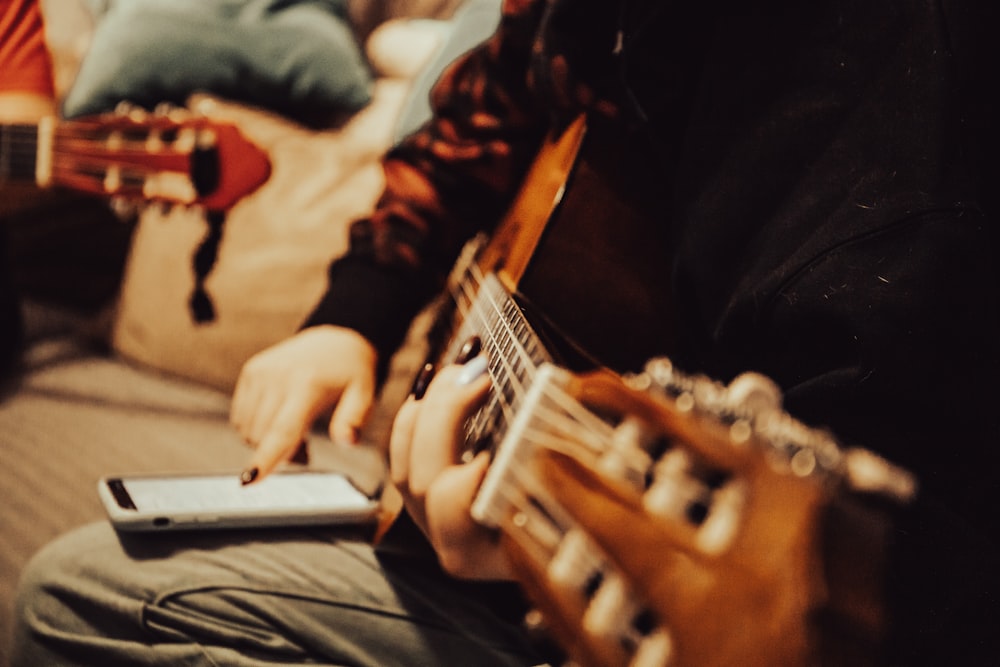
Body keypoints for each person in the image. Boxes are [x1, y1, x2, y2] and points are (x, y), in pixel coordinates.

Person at [9, 0, 1000, 665]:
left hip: (685, 586)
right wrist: (349, 320)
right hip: (569, 480)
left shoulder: (894, 133)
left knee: (76, 593)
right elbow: (466, 132)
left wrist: (516, 532)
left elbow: (862, 570)